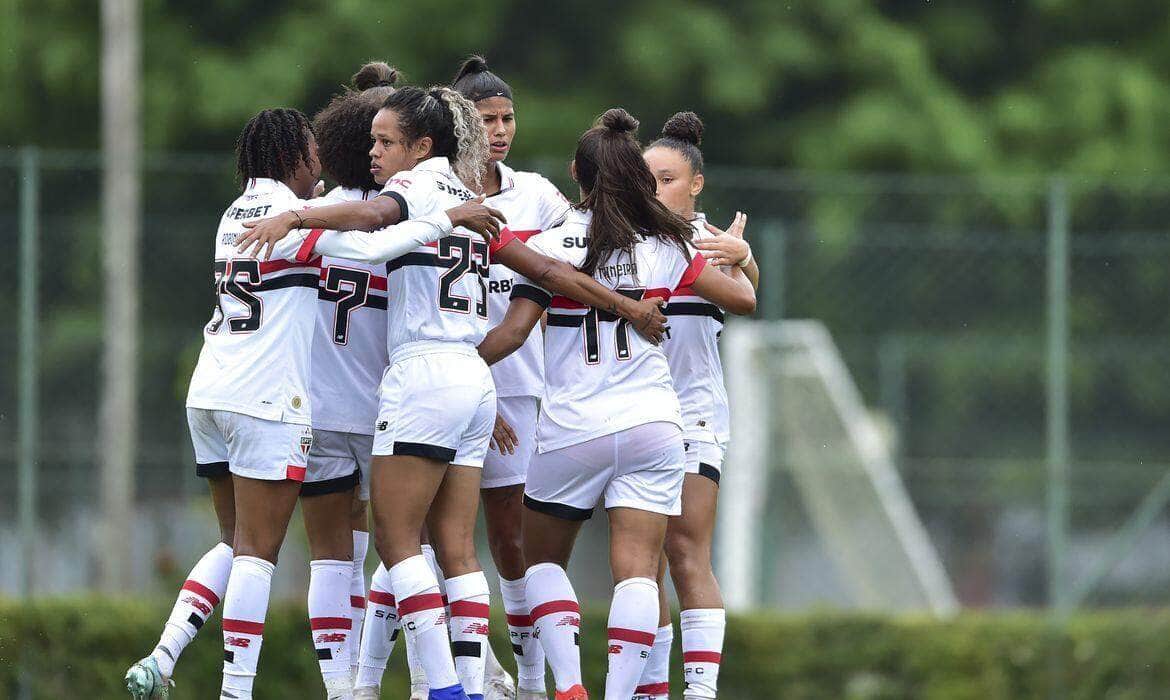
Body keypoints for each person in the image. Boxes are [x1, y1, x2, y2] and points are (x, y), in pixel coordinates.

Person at [236, 87, 670, 700]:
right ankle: (468, 682)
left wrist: (297, 216)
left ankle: (439, 688)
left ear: (422, 145)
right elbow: (546, 272)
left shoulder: (413, 190)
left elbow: (375, 217)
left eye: (386, 142)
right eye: (373, 140)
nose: (375, 153)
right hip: (474, 377)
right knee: (458, 549)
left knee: (395, 540)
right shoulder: (469, 199)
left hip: (422, 374)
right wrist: (629, 307)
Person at [124, 107, 501, 700]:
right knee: (287, 552)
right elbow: (377, 245)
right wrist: (447, 219)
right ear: (293, 159)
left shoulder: (235, 213)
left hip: (213, 389)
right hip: (289, 399)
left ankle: (167, 652)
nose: (320, 162)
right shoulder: (307, 220)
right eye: (311, 153)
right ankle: (249, 690)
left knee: (244, 541)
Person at [476, 108, 756, 700]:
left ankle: (570, 684)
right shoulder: (667, 246)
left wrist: (455, 372)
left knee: (542, 562)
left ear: (576, 172)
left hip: (571, 427)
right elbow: (742, 297)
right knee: (639, 568)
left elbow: (512, 336)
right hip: (655, 424)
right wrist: (742, 254)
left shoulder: (549, 244)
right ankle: (623, 692)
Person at [453, 55, 570, 700]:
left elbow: (577, 261)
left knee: (508, 533)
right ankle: (461, 674)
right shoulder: (435, 196)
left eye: (507, 118)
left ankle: (527, 679)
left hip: (520, 389)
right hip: (443, 386)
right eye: (486, 119)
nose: (499, 130)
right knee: (428, 534)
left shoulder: (538, 197)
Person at [637, 112, 759, 700]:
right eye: (647, 180)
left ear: (696, 184)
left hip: (693, 415)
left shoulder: (709, 241)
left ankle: (701, 690)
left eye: (666, 179)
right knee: (643, 562)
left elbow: (746, 289)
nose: (654, 191)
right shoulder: (623, 237)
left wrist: (744, 255)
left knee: (685, 549)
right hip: (630, 414)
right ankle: (652, 688)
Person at [300, 61, 400, 698]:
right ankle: (371, 680)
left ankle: (340, 689)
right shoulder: (414, 219)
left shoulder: (311, 215)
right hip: (391, 411)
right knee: (405, 553)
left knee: (332, 556)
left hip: (318, 405)